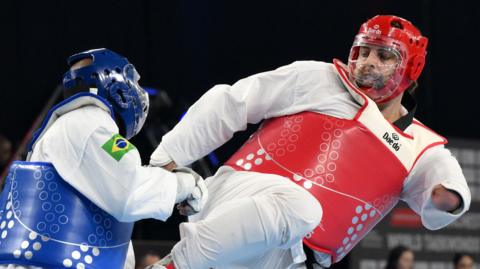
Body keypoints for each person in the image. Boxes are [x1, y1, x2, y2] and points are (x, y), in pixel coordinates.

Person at [148, 15, 471, 269]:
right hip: (241, 196)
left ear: (411, 68)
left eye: (384, 55)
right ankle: (177, 264)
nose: (368, 62)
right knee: (298, 207)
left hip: (291, 257)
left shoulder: (420, 146)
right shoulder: (319, 79)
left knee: (299, 217)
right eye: (363, 51)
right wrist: (166, 160)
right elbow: (232, 102)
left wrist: (448, 199)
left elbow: (446, 190)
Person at [0, 49, 207, 269]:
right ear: (118, 87)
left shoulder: (73, 127)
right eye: (135, 83)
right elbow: (130, 190)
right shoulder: (90, 123)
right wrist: (185, 184)